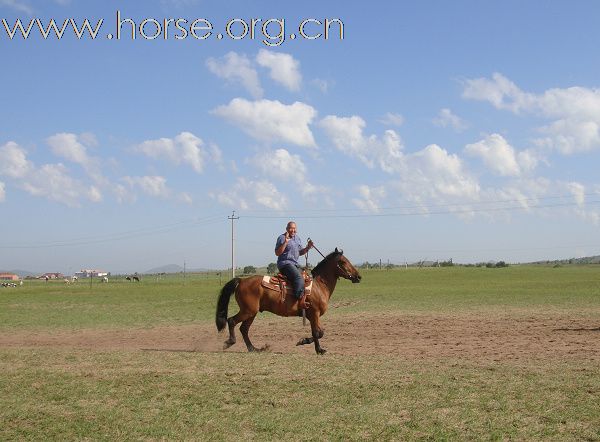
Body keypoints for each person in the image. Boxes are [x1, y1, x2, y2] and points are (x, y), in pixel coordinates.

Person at [275, 221, 313, 309]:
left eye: (294, 228)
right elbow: (277, 253)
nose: (293, 230)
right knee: (298, 278)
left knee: (307, 277)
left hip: (295, 264)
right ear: (287, 229)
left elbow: (300, 252)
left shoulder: (297, 238)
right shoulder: (281, 238)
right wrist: (285, 242)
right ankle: (297, 303)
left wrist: (308, 247)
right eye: (291, 228)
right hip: (285, 263)